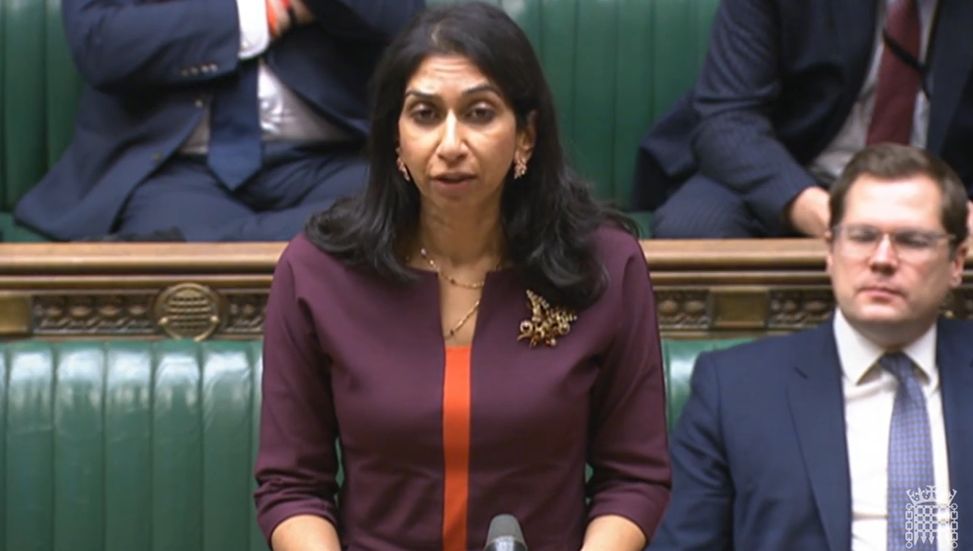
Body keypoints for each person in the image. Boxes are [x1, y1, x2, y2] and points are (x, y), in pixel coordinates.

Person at [253, 3, 671, 551]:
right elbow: (291, 486)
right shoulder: (318, 273)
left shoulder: (606, 268)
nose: (451, 145)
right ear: (396, 138)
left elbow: (633, 478)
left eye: (478, 113)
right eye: (425, 115)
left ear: (526, 135)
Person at [651, 144, 973, 550]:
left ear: (957, 261)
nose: (882, 259)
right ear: (830, 251)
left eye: (911, 240)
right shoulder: (736, 390)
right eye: (862, 236)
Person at [13, 0, 423, 241]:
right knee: (180, 255)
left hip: (335, 163)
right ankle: (309, 246)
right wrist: (264, 13)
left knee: (393, 216)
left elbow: (397, 15)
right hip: (174, 172)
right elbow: (102, 42)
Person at [633, 0, 973, 238]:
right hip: (791, 169)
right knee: (695, 227)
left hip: (944, 191)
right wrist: (812, 207)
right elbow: (728, 117)